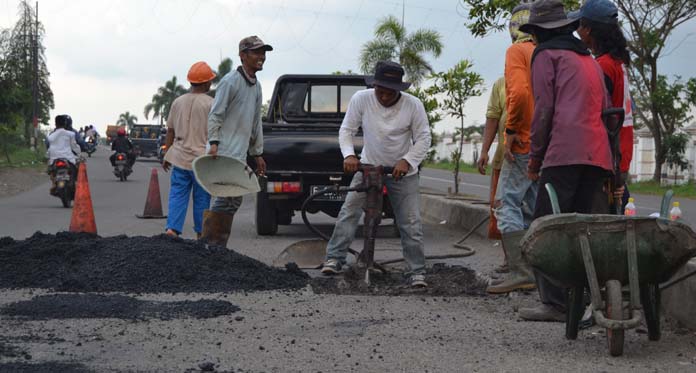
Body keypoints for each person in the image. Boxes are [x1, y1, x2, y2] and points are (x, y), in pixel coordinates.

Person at [516, 0, 613, 321]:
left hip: (563, 153)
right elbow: (607, 111)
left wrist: (535, 159)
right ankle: (587, 299)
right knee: (584, 229)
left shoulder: (546, 56)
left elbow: (544, 110)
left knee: (548, 227)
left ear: (539, 34)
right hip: (597, 154)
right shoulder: (589, 60)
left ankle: (555, 303)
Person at [320, 60, 432, 288]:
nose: (384, 96)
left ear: (399, 89)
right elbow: (346, 130)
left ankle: (416, 271)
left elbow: (423, 138)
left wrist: (407, 161)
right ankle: (335, 258)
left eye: (390, 92)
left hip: (402, 173)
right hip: (369, 167)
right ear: (374, 86)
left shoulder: (414, 105)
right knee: (348, 213)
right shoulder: (361, 99)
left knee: (410, 222)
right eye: (380, 91)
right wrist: (349, 156)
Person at [486, 2, 537, 294]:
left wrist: (513, 130)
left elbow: (518, 93)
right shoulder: (549, 53)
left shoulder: (517, 52)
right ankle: (535, 269)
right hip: (547, 146)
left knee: (505, 205)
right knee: (530, 207)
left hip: (523, 143)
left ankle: (521, 272)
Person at [202, 36, 271, 246]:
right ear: (243, 55)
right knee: (226, 197)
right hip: (222, 152)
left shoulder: (256, 86)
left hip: (239, 155)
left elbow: (255, 122)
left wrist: (257, 153)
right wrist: (213, 142)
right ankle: (209, 245)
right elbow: (215, 115)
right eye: (256, 52)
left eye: (263, 53)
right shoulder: (230, 81)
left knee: (233, 199)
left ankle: (214, 246)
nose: (261, 57)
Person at [571, 0, 634, 212]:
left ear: (589, 30)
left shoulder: (603, 66)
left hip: (608, 156)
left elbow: (597, 114)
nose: (577, 31)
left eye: (579, 26)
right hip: (620, 152)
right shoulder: (617, 61)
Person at [162, 61, 216, 238]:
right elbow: (217, 134)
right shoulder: (211, 104)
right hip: (202, 161)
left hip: (179, 157)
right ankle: (201, 233)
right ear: (207, 83)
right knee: (202, 198)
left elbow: (170, 130)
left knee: (177, 194)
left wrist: (166, 154)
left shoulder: (177, 102)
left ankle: (172, 229)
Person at [47, 115, 81, 191]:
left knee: (51, 170)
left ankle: (53, 184)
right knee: (76, 168)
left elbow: (49, 148)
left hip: (54, 159)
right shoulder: (70, 134)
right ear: (65, 124)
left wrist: (48, 156)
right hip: (68, 158)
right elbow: (74, 146)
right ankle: (74, 183)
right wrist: (79, 154)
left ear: (55, 124)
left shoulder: (51, 136)